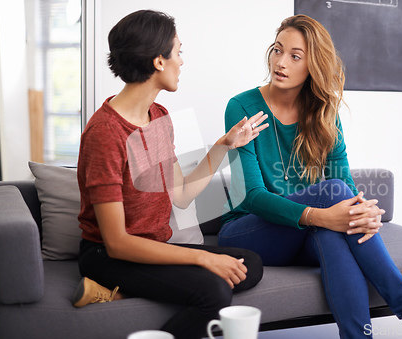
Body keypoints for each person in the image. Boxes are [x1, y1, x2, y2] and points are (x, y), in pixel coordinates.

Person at [218, 14, 402, 339]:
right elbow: (252, 196)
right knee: (331, 201)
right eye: (277, 50)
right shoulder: (242, 107)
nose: (281, 62)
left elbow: (345, 184)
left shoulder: (323, 112)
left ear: (312, 66)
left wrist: (365, 211)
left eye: (294, 56)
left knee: (331, 233)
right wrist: (321, 214)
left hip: (306, 231)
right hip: (250, 232)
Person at [72, 10, 267, 339]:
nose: (181, 61)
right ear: (159, 61)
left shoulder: (159, 117)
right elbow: (117, 243)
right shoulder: (105, 133)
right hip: (108, 256)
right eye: (178, 52)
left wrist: (223, 145)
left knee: (249, 264)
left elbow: (181, 194)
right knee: (214, 293)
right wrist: (201, 260)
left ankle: (115, 291)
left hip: (154, 247)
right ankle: (111, 284)